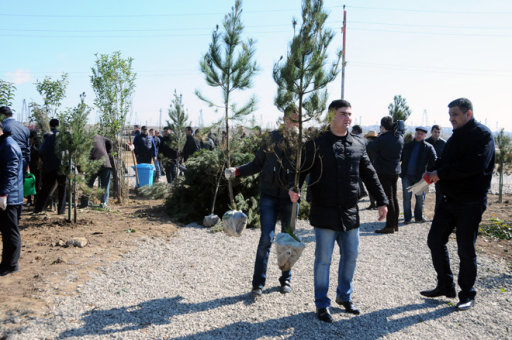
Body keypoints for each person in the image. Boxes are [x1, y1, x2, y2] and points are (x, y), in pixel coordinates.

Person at [289, 99, 388, 323]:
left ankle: (344, 296)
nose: (348, 118)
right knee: (323, 259)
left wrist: (382, 200)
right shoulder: (316, 144)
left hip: (350, 212)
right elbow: (300, 171)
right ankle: (322, 304)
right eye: (343, 113)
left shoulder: (358, 143)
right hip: (324, 210)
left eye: (350, 114)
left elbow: (370, 173)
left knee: (351, 256)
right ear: (332, 115)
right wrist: (293, 188)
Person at [421, 98, 495, 311]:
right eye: (450, 114)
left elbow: (474, 165)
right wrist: (432, 170)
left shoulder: (483, 136)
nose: (450, 118)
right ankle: (445, 285)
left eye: (454, 114)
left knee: (465, 249)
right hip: (449, 200)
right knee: (435, 240)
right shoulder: (455, 137)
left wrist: (440, 173)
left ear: (468, 114)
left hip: (470, 202)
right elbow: (445, 161)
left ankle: (467, 294)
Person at [225, 108, 298, 297]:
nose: (294, 124)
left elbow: (308, 170)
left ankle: (286, 279)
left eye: (298, 121)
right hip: (269, 196)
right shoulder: (270, 139)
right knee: (266, 238)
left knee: (287, 239)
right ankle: (258, 284)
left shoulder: (303, 143)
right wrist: (238, 171)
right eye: (292, 120)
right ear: (284, 119)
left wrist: (298, 189)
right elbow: (257, 164)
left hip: (291, 198)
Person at [366, 118, 404, 233]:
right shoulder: (400, 137)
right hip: (395, 171)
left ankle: (390, 226)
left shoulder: (383, 138)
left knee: (388, 199)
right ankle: (395, 224)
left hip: (384, 171)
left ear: (383, 127)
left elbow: (369, 148)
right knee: (394, 198)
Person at [0, 122, 24, 276]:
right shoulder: (4, 144)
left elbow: (11, 172)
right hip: (7, 194)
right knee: (6, 231)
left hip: (10, 197)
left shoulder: (8, 145)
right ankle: (6, 263)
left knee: (10, 231)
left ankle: (11, 265)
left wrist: (4, 195)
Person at [400, 126, 437, 224]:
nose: (419, 135)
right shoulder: (408, 146)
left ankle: (418, 217)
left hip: (420, 178)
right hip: (407, 176)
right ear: (415, 134)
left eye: (421, 134)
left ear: (425, 135)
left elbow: (434, 161)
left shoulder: (428, 147)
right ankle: (407, 218)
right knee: (406, 199)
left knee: (420, 199)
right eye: (417, 133)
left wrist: (429, 173)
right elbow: (400, 157)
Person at [34, 119, 66, 215]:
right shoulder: (63, 136)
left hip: (50, 166)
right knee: (62, 188)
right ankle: (61, 211)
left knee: (45, 188)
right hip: (62, 166)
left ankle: (38, 209)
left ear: (50, 125)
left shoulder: (48, 135)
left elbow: (41, 150)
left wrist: (44, 161)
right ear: (59, 125)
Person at [81, 135, 113, 207]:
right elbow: (110, 142)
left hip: (93, 164)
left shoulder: (85, 140)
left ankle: (84, 203)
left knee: (88, 184)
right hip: (105, 162)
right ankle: (104, 203)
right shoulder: (101, 137)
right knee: (105, 185)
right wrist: (108, 152)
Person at [0, 106, 30, 173]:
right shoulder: (24, 128)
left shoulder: (3, 127)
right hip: (23, 160)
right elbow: (28, 148)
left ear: (2, 115)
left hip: (8, 161)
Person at [425, 125, 447, 210]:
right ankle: (418, 214)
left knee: (439, 193)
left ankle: (438, 212)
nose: (436, 134)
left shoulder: (443, 143)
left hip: (438, 171)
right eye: (435, 132)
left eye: (438, 132)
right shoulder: (426, 142)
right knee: (421, 192)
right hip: (427, 170)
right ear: (431, 132)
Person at [363, 130, 379, 209]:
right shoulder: (380, 144)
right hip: (379, 167)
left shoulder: (368, 145)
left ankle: (372, 203)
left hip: (370, 167)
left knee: (370, 186)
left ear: (369, 137)